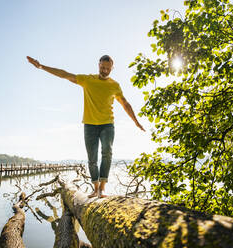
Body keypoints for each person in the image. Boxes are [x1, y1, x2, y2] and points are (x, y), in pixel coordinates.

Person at [27, 55, 145, 198]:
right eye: (103, 67)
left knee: (107, 152)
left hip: (107, 124)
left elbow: (125, 104)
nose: (105, 70)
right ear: (98, 65)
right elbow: (65, 74)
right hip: (89, 125)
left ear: (112, 68)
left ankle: (102, 188)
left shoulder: (114, 85)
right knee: (92, 159)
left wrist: (136, 121)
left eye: (108, 68)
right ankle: (95, 189)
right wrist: (41, 66)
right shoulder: (88, 80)